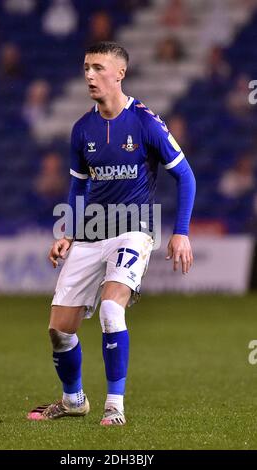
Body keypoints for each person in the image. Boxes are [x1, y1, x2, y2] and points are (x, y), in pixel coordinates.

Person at [28, 42, 196, 426]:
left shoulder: (145, 122)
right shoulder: (82, 129)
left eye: (98, 68)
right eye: (86, 67)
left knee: (109, 308)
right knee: (58, 331)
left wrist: (181, 231)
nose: (89, 75)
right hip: (90, 234)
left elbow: (185, 175)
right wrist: (68, 233)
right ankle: (74, 401)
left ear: (119, 73)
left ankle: (114, 405)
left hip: (133, 231)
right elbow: (77, 187)